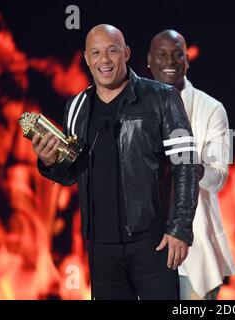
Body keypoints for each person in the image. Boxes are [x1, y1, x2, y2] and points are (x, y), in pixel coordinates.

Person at [31, 24, 201, 300]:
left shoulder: (161, 97)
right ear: (86, 58)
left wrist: (180, 229)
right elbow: (71, 172)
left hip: (153, 243)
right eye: (96, 52)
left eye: (112, 50)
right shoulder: (76, 107)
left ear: (126, 53)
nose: (105, 59)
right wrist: (50, 162)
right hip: (101, 247)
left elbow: (186, 165)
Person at [147, 29, 235, 300]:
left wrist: (188, 166)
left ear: (188, 60)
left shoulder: (211, 109)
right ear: (148, 60)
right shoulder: (132, 107)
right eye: (162, 55)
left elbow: (218, 178)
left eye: (177, 55)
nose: (170, 62)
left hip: (194, 251)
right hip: (143, 250)